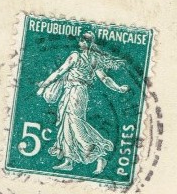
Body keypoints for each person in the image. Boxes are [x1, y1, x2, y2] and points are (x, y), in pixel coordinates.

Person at [36, 32, 129, 175]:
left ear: (88, 43)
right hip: (76, 92)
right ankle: (68, 160)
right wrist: (118, 88)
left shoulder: (76, 56)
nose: (79, 42)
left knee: (74, 122)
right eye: (80, 40)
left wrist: (44, 86)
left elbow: (59, 72)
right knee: (67, 122)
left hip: (75, 92)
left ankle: (98, 154)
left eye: (82, 40)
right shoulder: (94, 59)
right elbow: (105, 79)